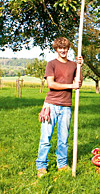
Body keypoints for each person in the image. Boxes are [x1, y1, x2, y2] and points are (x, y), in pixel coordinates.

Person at [36, 37, 83, 178]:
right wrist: (71, 86)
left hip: (66, 106)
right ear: (56, 49)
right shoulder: (51, 64)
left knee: (64, 138)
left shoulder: (73, 65)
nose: (63, 50)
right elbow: (51, 84)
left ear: (68, 49)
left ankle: (62, 165)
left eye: (65, 48)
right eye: (60, 48)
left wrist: (81, 66)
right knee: (46, 138)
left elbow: (78, 83)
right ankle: (41, 166)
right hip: (50, 105)